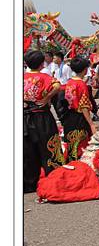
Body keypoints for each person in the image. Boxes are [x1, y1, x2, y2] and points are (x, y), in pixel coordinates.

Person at [23, 50, 63, 192]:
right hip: (42, 117)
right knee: (49, 147)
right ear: (41, 64)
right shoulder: (44, 76)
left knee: (28, 150)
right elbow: (57, 86)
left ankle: (29, 183)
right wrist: (47, 98)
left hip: (24, 118)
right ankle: (54, 179)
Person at [62, 57, 96, 162]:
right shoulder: (81, 85)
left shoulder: (70, 82)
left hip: (69, 118)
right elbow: (84, 106)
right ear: (85, 69)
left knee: (72, 147)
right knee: (82, 147)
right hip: (79, 118)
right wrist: (91, 124)